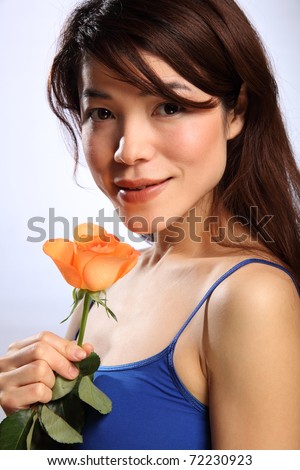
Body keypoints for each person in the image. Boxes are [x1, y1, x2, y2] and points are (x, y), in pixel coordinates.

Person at [0, 0, 299, 450]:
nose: (128, 150)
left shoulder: (249, 296)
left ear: (235, 112)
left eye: (169, 106)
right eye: (102, 113)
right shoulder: (105, 285)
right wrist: (26, 428)